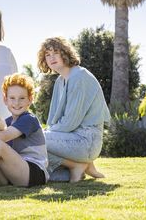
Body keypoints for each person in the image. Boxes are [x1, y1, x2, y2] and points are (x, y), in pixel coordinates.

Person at [37, 37, 110, 183]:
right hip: (69, 139)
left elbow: (70, 122)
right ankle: (79, 167)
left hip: (86, 140)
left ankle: (82, 163)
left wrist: (43, 134)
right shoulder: (60, 81)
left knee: (35, 139)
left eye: (55, 52)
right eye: (47, 54)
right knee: (53, 176)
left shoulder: (79, 77)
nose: (51, 58)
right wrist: (47, 131)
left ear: (65, 53)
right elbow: (53, 120)